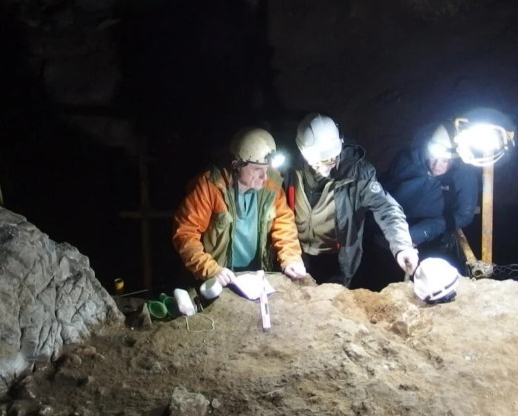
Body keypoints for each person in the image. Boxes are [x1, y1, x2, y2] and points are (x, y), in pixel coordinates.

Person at [287, 113, 418, 286]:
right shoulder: (289, 166)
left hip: (334, 260)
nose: (326, 165)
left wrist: (402, 246)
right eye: (318, 161)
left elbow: (386, 208)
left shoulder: (357, 174)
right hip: (296, 254)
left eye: (330, 159)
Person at [173, 127, 308, 287]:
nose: (264, 176)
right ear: (236, 165)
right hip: (221, 277)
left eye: (266, 169)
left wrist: (291, 258)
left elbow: (284, 224)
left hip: (258, 277)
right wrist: (210, 269)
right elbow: (185, 234)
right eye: (257, 169)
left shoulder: (271, 183)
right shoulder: (210, 187)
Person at [383, 122, 480, 271]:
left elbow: (464, 215)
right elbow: (385, 189)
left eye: (445, 160)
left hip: (433, 239)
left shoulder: (464, 176)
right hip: (391, 229)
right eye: (434, 156)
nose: (436, 165)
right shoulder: (407, 159)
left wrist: (422, 232)